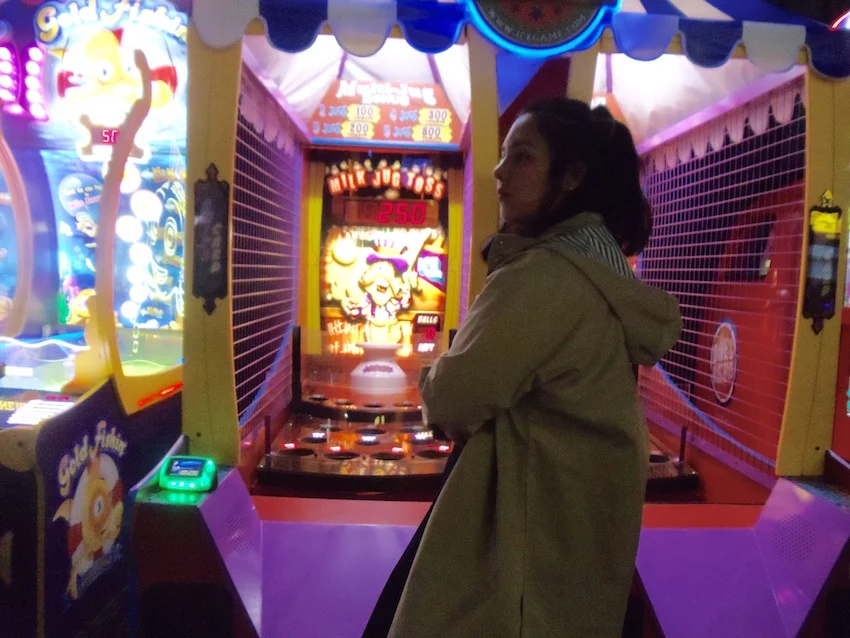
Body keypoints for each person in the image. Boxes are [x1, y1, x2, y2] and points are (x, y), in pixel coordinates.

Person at [365, 98, 682, 638]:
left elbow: (451, 399)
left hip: (517, 563)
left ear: (572, 176)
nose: (499, 171)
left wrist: (432, 372)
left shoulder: (545, 277)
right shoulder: (602, 273)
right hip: (568, 552)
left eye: (523, 156)